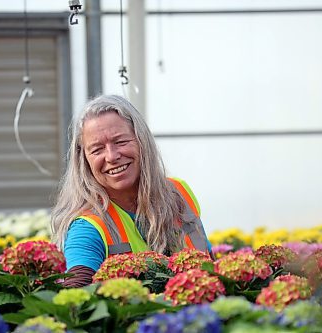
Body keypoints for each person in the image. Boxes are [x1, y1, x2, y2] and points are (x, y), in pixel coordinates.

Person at [51, 94, 213, 287]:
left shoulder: (179, 192)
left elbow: (209, 264)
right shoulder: (86, 227)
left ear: (142, 141)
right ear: (83, 160)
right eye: (97, 149)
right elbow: (76, 298)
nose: (111, 156)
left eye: (120, 142)